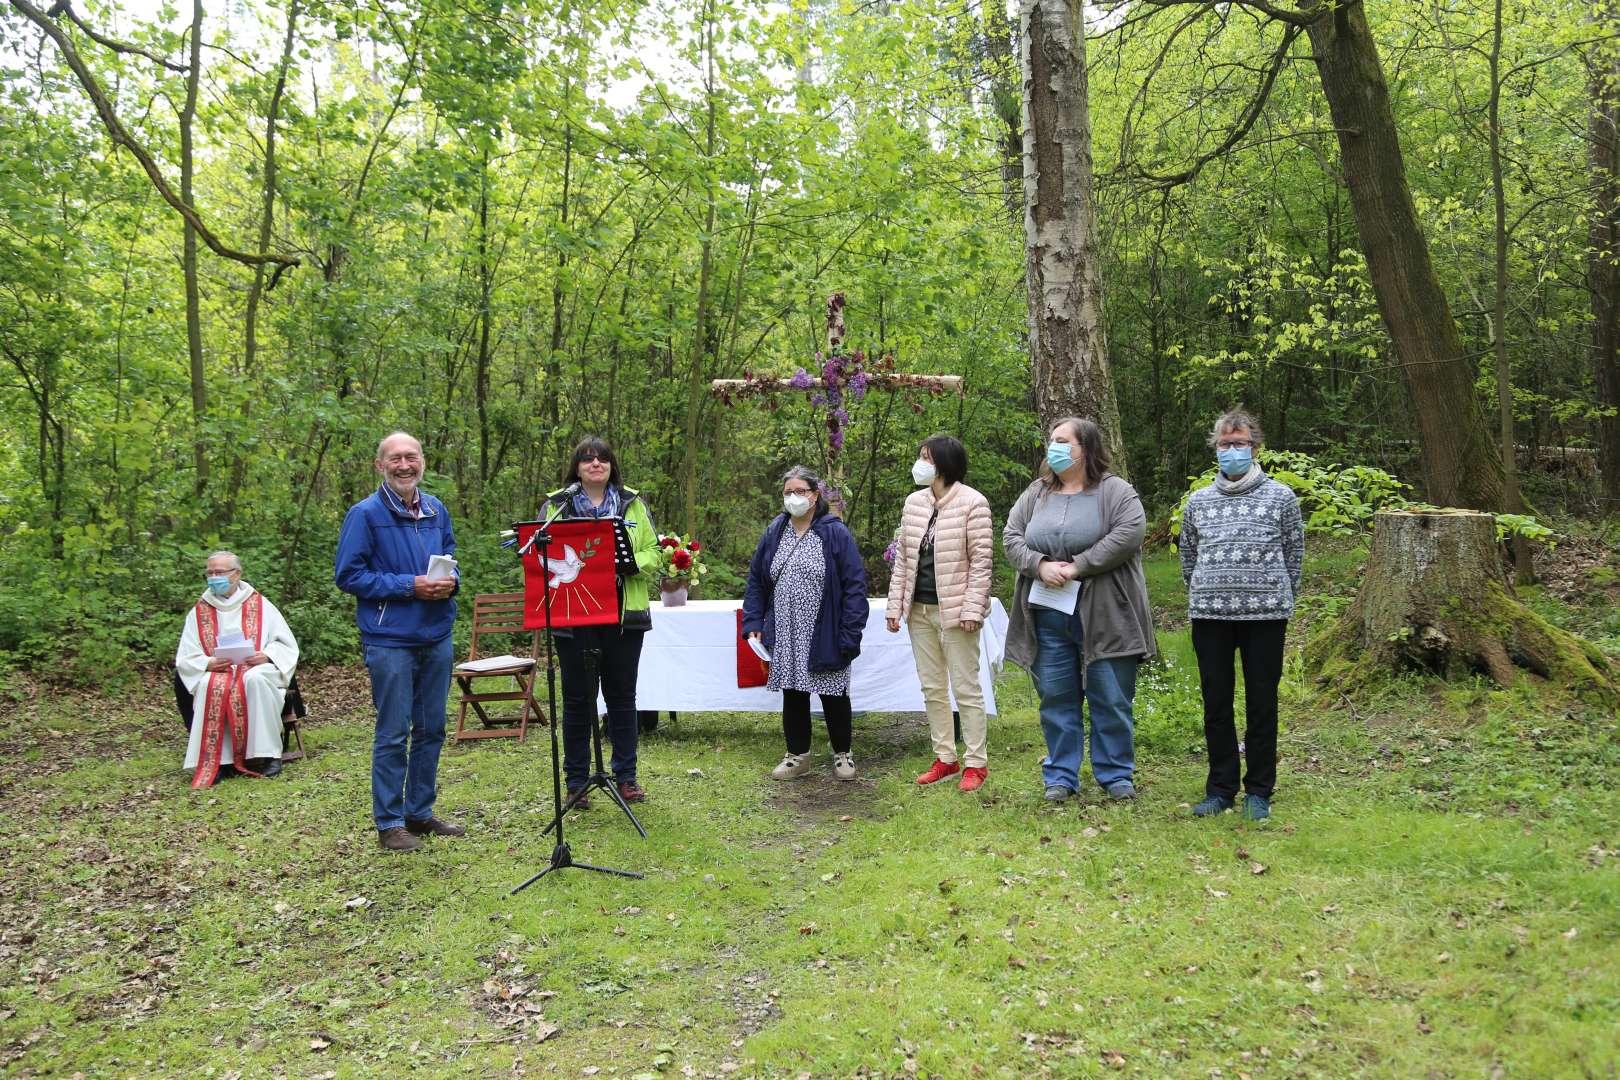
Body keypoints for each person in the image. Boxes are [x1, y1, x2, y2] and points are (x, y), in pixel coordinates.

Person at [1004, 417, 1156, 802]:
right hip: (1047, 616)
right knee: (1056, 696)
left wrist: (1078, 566)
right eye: (1051, 441)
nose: (1052, 447)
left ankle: (1116, 774)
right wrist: (1039, 565)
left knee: (1110, 696)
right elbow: (1011, 536)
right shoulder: (1036, 493)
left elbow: (1129, 533)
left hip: (1108, 614)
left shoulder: (1116, 492)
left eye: (1062, 441)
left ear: (1084, 448)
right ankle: (1060, 776)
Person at [335, 432, 465, 852]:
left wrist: (450, 583)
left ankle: (419, 812)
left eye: (411, 457)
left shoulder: (435, 509)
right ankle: (390, 823)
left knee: (433, 729)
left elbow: (450, 556)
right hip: (390, 639)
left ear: (422, 461)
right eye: (396, 458)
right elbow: (349, 576)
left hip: (436, 635)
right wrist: (411, 586)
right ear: (380, 465)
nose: (404, 465)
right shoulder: (365, 514)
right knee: (394, 732)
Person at [1178, 408, 1304, 822]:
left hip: (1265, 616)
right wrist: (1204, 592)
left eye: (1240, 443)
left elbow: (1294, 554)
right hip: (1210, 616)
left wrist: (1278, 597)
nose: (1232, 450)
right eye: (1225, 444)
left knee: (1262, 703)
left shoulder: (1280, 496)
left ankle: (1259, 790)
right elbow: (1188, 558)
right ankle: (1220, 789)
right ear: (1215, 448)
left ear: (1255, 447)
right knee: (1216, 704)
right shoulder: (1198, 501)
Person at [539, 436, 659, 808]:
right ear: (576, 466)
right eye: (587, 458)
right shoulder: (557, 505)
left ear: (611, 465)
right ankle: (576, 781)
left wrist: (633, 564)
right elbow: (541, 553)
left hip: (624, 616)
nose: (595, 463)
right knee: (578, 699)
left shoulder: (632, 503)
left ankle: (626, 777)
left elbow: (655, 550)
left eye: (603, 458)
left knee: (623, 698)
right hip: (574, 615)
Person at [742, 466, 867, 781]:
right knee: (793, 692)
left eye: (800, 491)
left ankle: (843, 755)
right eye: (788, 492)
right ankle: (797, 755)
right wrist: (754, 620)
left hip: (825, 627)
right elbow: (757, 579)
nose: (793, 497)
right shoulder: (775, 531)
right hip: (784, 628)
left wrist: (850, 632)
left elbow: (854, 585)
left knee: (833, 691)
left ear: (815, 495)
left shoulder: (834, 532)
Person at [885, 435, 994, 792]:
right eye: (920, 456)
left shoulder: (973, 503)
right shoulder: (913, 503)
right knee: (932, 687)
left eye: (926, 457)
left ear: (944, 463)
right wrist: (895, 605)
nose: (920, 463)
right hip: (920, 610)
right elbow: (903, 559)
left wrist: (973, 608)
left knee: (965, 687)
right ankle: (945, 757)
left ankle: (976, 763)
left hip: (957, 611)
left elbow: (981, 563)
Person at [176, 550, 299, 786]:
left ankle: (267, 755)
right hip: (219, 670)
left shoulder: (260, 604)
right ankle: (219, 760)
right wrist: (208, 663)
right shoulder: (200, 610)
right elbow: (186, 655)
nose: (214, 577)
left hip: (256, 668)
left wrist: (267, 655)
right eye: (210, 573)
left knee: (255, 680)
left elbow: (285, 644)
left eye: (219, 572)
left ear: (236, 574)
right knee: (207, 683)